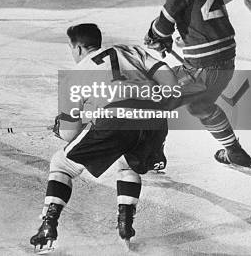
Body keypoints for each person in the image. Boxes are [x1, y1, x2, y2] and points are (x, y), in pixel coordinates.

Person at [30, 23, 179, 251]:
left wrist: (59, 128)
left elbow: (70, 132)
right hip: (154, 119)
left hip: (115, 121)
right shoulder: (130, 51)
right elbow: (170, 82)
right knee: (127, 164)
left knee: (62, 164)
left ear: (78, 48)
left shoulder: (76, 74)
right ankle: (125, 225)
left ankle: (48, 223)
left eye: (71, 48)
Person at [145, 0, 251, 167]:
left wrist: (155, 35)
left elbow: (164, 26)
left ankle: (152, 154)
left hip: (201, 68)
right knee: (200, 105)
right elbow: (199, 18)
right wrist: (178, 39)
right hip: (225, 63)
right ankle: (234, 151)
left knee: (151, 96)